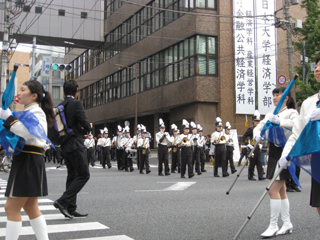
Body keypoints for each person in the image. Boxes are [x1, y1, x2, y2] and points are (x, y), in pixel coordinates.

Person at [0, 80, 55, 239]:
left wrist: (8, 118)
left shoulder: (36, 112)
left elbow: (28, 133)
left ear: (33, 96)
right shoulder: (30, 111)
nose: (19, 93)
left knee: (11, 208)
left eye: (23, 90)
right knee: (31, 207)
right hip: (28, 159)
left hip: (28, 160)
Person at [254, 87, 298, 237]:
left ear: (285, 97)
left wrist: (280, 121)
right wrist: (257, 135)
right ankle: (286, 223)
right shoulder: (270, 114)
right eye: (273, 95)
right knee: (281, 190)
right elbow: (260, 126)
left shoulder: (292, 112)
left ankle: (273, 225)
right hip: (273, 153)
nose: (274, 97)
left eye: (277, 95)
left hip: (285, 153)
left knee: (272, 190)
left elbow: (297, 126)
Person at [279, 57, 320, 218]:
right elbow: (297, 133)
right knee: (318, 203)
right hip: (317, 158)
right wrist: (286, 153)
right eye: (316, 66)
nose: (317, 69)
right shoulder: (310, 103)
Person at [54, 79, 91, 219]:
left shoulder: (61, 105)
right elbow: (85, 124)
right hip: (75, 144)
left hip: (65, 144)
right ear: (77, 89)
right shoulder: (76, 104)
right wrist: (87, 128)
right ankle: (63, 201)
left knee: (72, 175)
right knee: (84, 174)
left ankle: (71, 207)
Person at [243, 110, 265, 181]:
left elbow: (262, 137)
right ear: (253, 121)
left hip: (258, 147)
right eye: (256, 121)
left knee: (259, 161)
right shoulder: (251, 129)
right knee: (252, 162)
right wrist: (248, 144)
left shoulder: (260, 130)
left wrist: (261, 144)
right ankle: (250, 175)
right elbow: (244, 136)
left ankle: (260, 175)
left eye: (258, 121)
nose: (257, 122)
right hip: (252, 147)